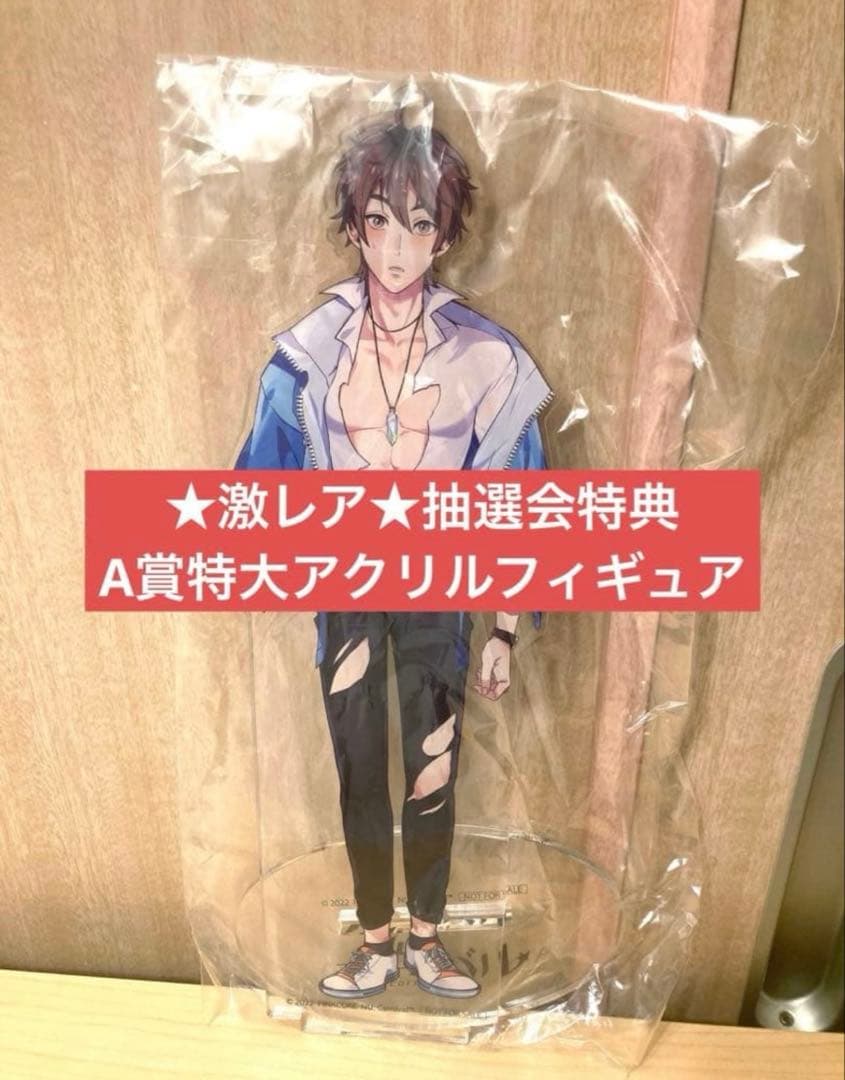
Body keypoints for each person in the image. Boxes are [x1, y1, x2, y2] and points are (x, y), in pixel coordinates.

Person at [236, 110, 552, 1001]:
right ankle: (373, 941)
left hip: (439, 593)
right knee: (358, 766)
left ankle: (427, 938)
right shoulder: (309, 355)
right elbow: (255, 489)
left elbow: (521, 505)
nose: (398, 247)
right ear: (354, 226)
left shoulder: (485, 357)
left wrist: (503, 629)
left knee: (433, 765)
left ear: (444, 234)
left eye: (419, 223)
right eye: (379, 220)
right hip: (344, 590)